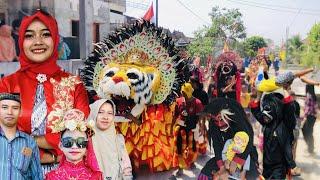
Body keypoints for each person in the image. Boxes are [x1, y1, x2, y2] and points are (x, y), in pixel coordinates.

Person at [0, 9, 90, 173]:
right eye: (29, 35)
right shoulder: (8, 84)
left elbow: (80, 134)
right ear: (21, 41)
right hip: (17, 171)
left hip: (65, 172)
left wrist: (38, 147)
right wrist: (44, 149)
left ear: (55, 39)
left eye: (45, 34)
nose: (38, 41)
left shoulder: (73, 84)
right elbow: (4, 137)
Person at [199, 98, 258, 180]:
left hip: (245, 156)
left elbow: (248, 144)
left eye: (221, 119)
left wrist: (236, 161)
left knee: (252, 174)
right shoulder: (215, 126)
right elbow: (217, 146)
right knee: (205, 172)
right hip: (225, 157)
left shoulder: (240, 125)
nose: (219, 124)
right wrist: (222, 167)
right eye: (216, 121)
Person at [46, 109, 102, 180]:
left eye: (80, 142)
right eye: (68, 142)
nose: (74, 147)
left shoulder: (96, 177)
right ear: (61, 146)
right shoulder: (51, 177)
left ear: (86, 146)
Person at [0, 93, 43, 179]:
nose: (10, 112)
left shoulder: (29, 142)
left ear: (20, 112)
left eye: (15, 108)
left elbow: (36, 175)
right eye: (4, 107)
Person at [89, 99, 133, 180]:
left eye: (110, 113)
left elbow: (126, 167)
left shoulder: (118, 140)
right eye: (100, 112)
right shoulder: (86, 142)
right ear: (94, 113)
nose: (105, 117)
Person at [173, 83, 204, 177]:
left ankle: (192, 162)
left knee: (193, 148)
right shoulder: (178, 101)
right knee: (179, 149)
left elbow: (200, 117)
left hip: (192, 129)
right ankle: (180, 168)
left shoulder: (197, 102)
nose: (183, 94)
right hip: (181, 129)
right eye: (182, 92)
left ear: (190, 92)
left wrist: (201, 128)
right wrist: (171, 127)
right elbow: (175, 115)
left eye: (185, 92)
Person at [302, 84, 318, 156]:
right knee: (308, 132)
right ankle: (310, 148)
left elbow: (309, 108)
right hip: (313, 117)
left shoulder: (309, 95)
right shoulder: (313, 95)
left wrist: (304, 116)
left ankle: (310, 149)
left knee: (307, 132)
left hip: (309, 116)